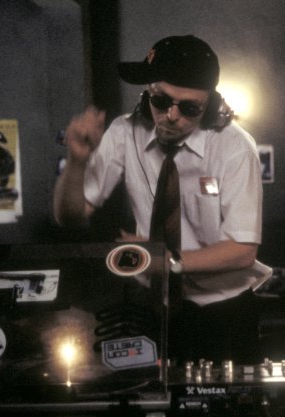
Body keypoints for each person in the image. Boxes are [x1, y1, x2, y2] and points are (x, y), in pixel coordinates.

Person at [54, 35, 271, 364]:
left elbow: (242, 251)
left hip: (224, 311)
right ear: (146, 96)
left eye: (189, 108)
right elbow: (70, 216)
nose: (171, 115)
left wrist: (166, 262)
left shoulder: (235, 148)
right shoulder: (124, 132)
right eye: (160, 101)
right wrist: (77, 162)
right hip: (152, 306)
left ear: (210, 107)